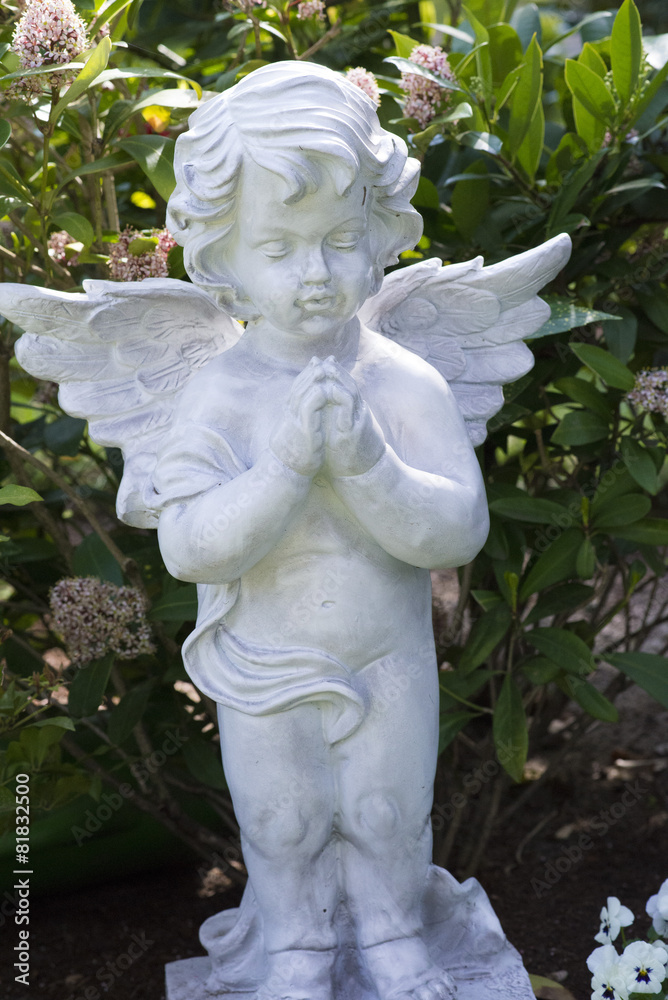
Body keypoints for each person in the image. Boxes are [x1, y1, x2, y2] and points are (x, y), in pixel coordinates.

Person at [149, 62, 512, 1000]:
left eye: (341, 241)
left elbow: (457, 531)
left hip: (386, 654)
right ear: (223, 254)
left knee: (389, 812)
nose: (315, 274)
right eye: (279, 247)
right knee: (282, 820)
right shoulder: (220, 393)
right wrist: (282, 470)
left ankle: (393, 935)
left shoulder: (402, 384)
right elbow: (189, 547)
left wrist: (366, 465)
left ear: (379, 234)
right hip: (261, 661)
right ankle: (299, 949)